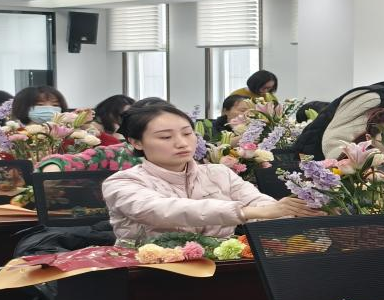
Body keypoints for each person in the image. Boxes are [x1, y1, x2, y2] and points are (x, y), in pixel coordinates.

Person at [102, 103, 322, 243]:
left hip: (223, 268)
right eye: (165, 137)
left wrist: (294, 212)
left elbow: (259, 203)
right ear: (136, 142)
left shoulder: (218, 173)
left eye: (187, 133)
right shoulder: (123, 182)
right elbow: (163, 210)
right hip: (149, 273)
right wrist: (247, 212)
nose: (181, 143)